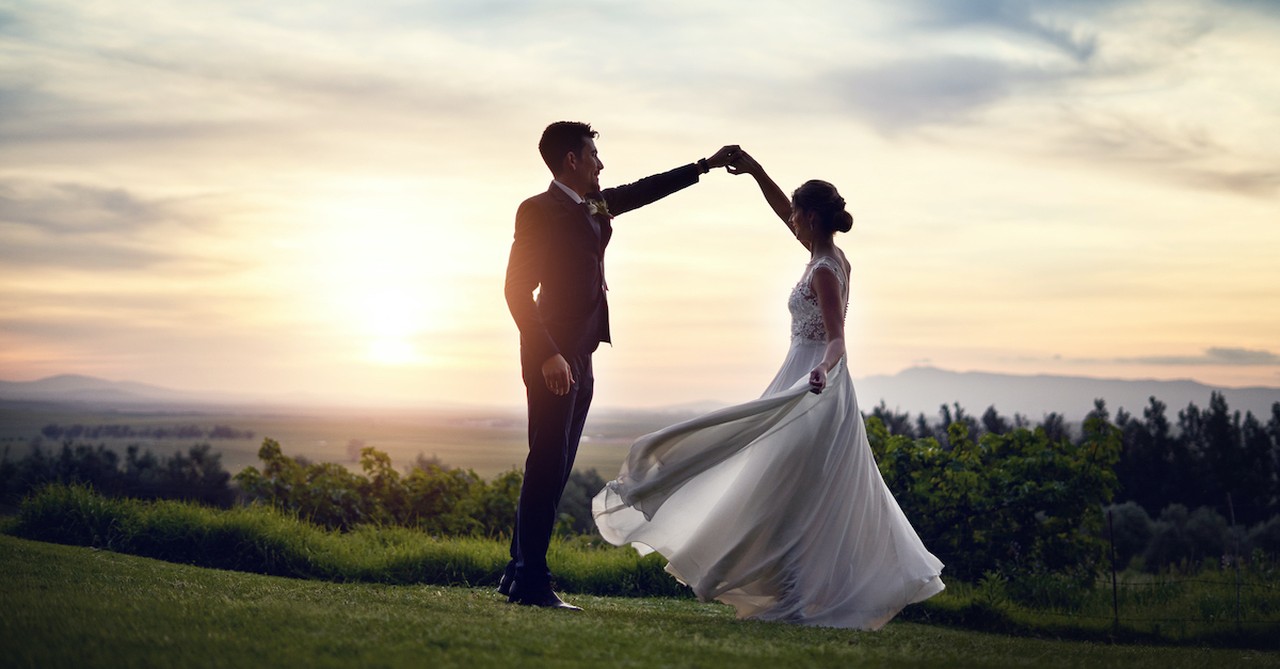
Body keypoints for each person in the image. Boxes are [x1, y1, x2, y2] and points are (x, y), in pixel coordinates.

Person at [592, 150, 945, 629]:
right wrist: (756, 172)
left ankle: (792, 601)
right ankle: (789, 596)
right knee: (786, 491)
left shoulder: (824, 269)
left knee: (787, 490)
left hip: (812, 387)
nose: (791, 222)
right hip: (805, 380)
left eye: (797, 216)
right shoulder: (831, 255)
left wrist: (821, 370)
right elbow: (785, 213)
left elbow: (838, 337)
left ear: (812, 218)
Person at [502, 120, 740, 610]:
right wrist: (548, 353)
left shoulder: (595, 205)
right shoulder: (537, 210)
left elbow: (641, 191)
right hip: (552, 356)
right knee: (546, 465)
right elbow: (515, 289)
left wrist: (703, 166)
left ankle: (516, 573)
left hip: (583, 353)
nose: (601, 164)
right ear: (572, 159)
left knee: (555, 467)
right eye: (593, 155)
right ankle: (530, 582)